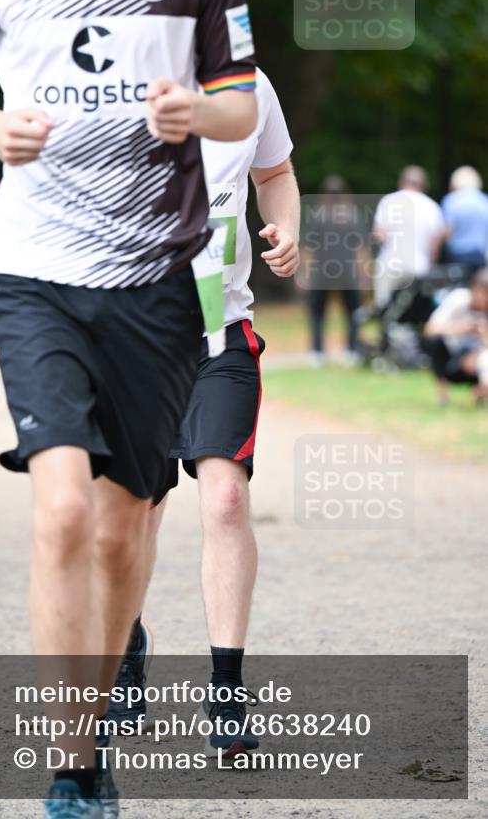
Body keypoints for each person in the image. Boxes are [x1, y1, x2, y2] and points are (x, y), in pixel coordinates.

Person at [0, 0, 257, 813]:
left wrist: (195, 111)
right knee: (61, 504)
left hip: (156, 277)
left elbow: (240, 104)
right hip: (33, 270)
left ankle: (95, 725)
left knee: (120, 533)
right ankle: (73, 767)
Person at [109, 68, 299, 760]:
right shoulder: (105, 76)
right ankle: (126, 647)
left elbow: (273, 171)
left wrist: (283, 228)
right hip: (130, 335)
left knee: (223, 499)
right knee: (135, 509)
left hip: (221, 330)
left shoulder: (247, 84)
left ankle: (225, 689)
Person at [301, 175, 367, 365]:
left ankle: (317, 352)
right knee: (352, 311)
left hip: (321, 271)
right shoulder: (353, 215)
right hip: (347, 270)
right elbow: (360, 249)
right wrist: (363, 275)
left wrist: (304, 274)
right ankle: (352, 351)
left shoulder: (316, 215)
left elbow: (307, 248)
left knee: (317, 313)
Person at [372, 165, 445, 309]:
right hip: (419, 267)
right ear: (424, 185)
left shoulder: (388, 201)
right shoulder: (431, 206)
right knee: (413, 310)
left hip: (389, 264)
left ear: (401, 182)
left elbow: (378, 234)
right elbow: (435, 243)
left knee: (384, 309)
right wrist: (431, 265)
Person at [424, 268, 488, 406]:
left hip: (477, 359)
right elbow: (430, 329)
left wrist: (483, 333)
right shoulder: (459, 299)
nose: (481, 298)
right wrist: (460, 328)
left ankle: (482, 394)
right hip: (452, 356)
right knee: (436, 342)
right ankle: (442, 396)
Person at [441, 166, 488, 274]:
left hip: (457, 256)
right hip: (479, 256)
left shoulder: (452, 200)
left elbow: (448, 230)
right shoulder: (484, 201)